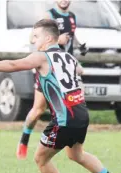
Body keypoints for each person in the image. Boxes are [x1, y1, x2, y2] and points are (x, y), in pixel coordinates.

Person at [0, 19, 121, 173]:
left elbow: (13, 65)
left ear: (49, 38)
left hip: (64, 117)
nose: (34, 41)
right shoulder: (69, 57)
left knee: (41, 159)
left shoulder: (42, 57)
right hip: (81, 113)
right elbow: (79, 71)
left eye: (36, 36)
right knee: (77, 154)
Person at [19, 0, 87, 155]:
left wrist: (79, 45)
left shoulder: (72, 16)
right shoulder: (49, 15)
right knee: (38, 109)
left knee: (75, 104)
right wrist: (58, 40)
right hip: (49, 68)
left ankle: (74, 143)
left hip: (66, 69)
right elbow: (32, 38)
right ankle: (24, 140)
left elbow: (71, 36)